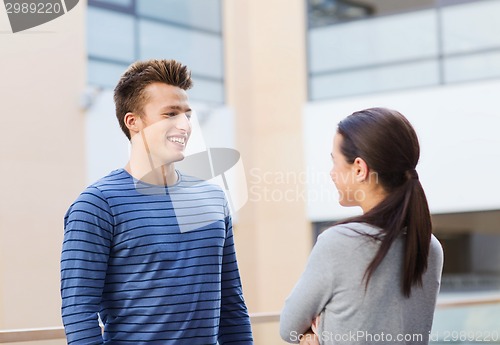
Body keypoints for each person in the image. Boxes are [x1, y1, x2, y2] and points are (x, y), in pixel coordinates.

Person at [60, 59, 253, 345]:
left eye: (187, 114)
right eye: (170, 114)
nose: (184, 125)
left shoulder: (214, 199)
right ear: (133, 122)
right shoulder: (97, 205)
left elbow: (232, 302)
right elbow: (79, 311)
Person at [280, 108, 443, 345]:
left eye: (335, 162)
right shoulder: (429, 246)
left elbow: (289, 327)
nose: (332, 174)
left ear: (359, 168)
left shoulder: (338, 243)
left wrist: (317, 331)